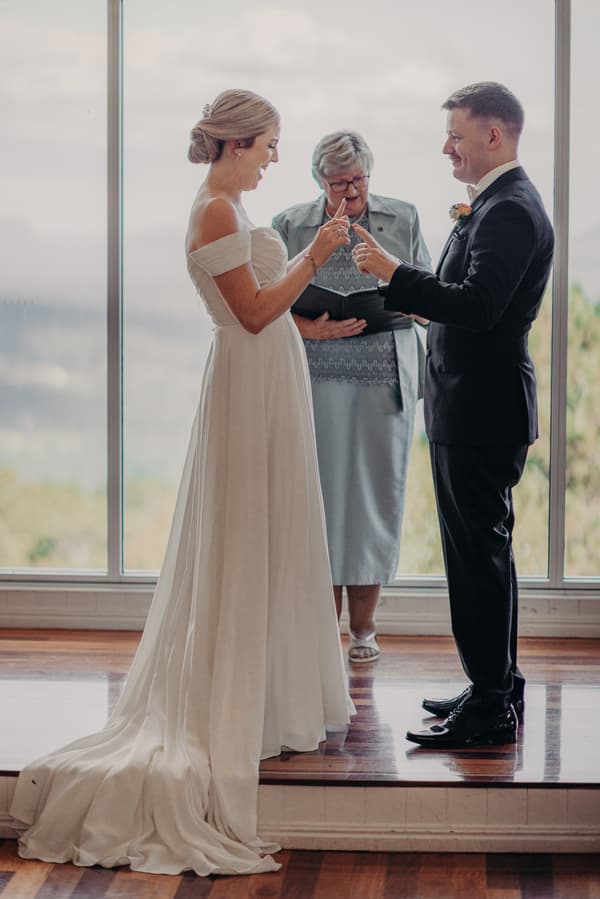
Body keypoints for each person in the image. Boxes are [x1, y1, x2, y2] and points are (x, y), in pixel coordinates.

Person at [10, 89, 355, 875]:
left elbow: (266, 313)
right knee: (243, 536)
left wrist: (316, 313)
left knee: (274, 534)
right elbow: (255, 311)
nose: (275, 157)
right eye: (270, 144)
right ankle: (235, 703)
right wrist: (318, 254)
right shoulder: (213, 212)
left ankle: (271, 697)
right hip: (247, 382)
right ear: (238, 143)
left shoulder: (228, 207)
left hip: (266, 377)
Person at [352, 82, 554, 747]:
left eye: (456, 136)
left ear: (492, 136)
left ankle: (491, 707)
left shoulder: (511, 210)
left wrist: (394, 273)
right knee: (484, 555)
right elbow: (471, 302)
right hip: (470, 404)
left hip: (481, 409)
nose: (447, 148)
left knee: (478, 559)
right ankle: (496, 684)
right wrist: (418, 299)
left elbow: (479, 306)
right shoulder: (499, 204)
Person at [273, 131, 431, 664]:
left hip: (382, 373)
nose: (350, 192)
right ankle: (321, 628)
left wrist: (402, 294)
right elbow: (265, 303)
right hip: (313, 374)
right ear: (319, 181)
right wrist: (307, 329)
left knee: (373, 501)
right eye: (338, 182)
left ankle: (364, 628)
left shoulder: (403, 218)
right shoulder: (292, 224)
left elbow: (431, 291)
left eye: (359, 180)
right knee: (319, 500)